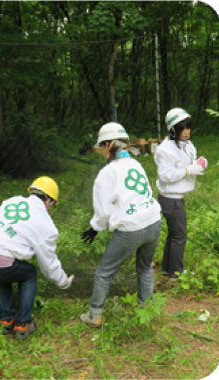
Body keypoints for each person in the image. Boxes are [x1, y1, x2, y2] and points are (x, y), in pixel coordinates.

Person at [0, 176, 74, 339]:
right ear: (48, 200)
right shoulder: (45, 224)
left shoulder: (11, 202)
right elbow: (48, 263)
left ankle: (6, 320)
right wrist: (63, 282)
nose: (51, 208)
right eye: (53, 205)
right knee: (28, 273)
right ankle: (23, 323)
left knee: (3, 268)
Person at [80, 122, 162, 328]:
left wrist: (95, 227)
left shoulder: (107, 173)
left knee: (104, 272)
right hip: (154, 222)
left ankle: (94, 314)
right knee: (144, 267)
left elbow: (102, 211)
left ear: (108, 144)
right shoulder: (136, 164)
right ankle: (147, 308)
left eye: (102, 147)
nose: (101, 151)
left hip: (131, 229)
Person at [154, 108, 207, 280]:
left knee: (173, 235)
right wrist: (186, 170)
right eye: (181, 129)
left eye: (188, 127)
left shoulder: (187, 144)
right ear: (172, 129)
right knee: (179, 236)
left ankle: (167, 268)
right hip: (171, 199)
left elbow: (189, 160)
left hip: (177, 198)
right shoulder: (165, 150)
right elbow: (165, 175)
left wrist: (198, 163)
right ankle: (176, 274)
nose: (186, 132)